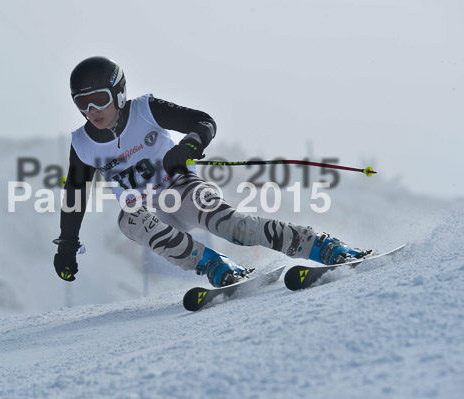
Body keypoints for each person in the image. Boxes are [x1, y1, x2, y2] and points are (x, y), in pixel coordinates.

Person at [53, 56, 365, 288]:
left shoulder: (145, 110)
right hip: (148, 213)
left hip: (180, 189)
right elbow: (75, 194)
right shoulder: (82, 143)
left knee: (232, 227)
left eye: (99, 100)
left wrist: (187, 147)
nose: (92, 111)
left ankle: (323, 245)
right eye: (83, 103)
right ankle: (214, 265)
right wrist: (68, 244)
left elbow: (203, 122)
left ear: (118, 94)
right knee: (128, 218)